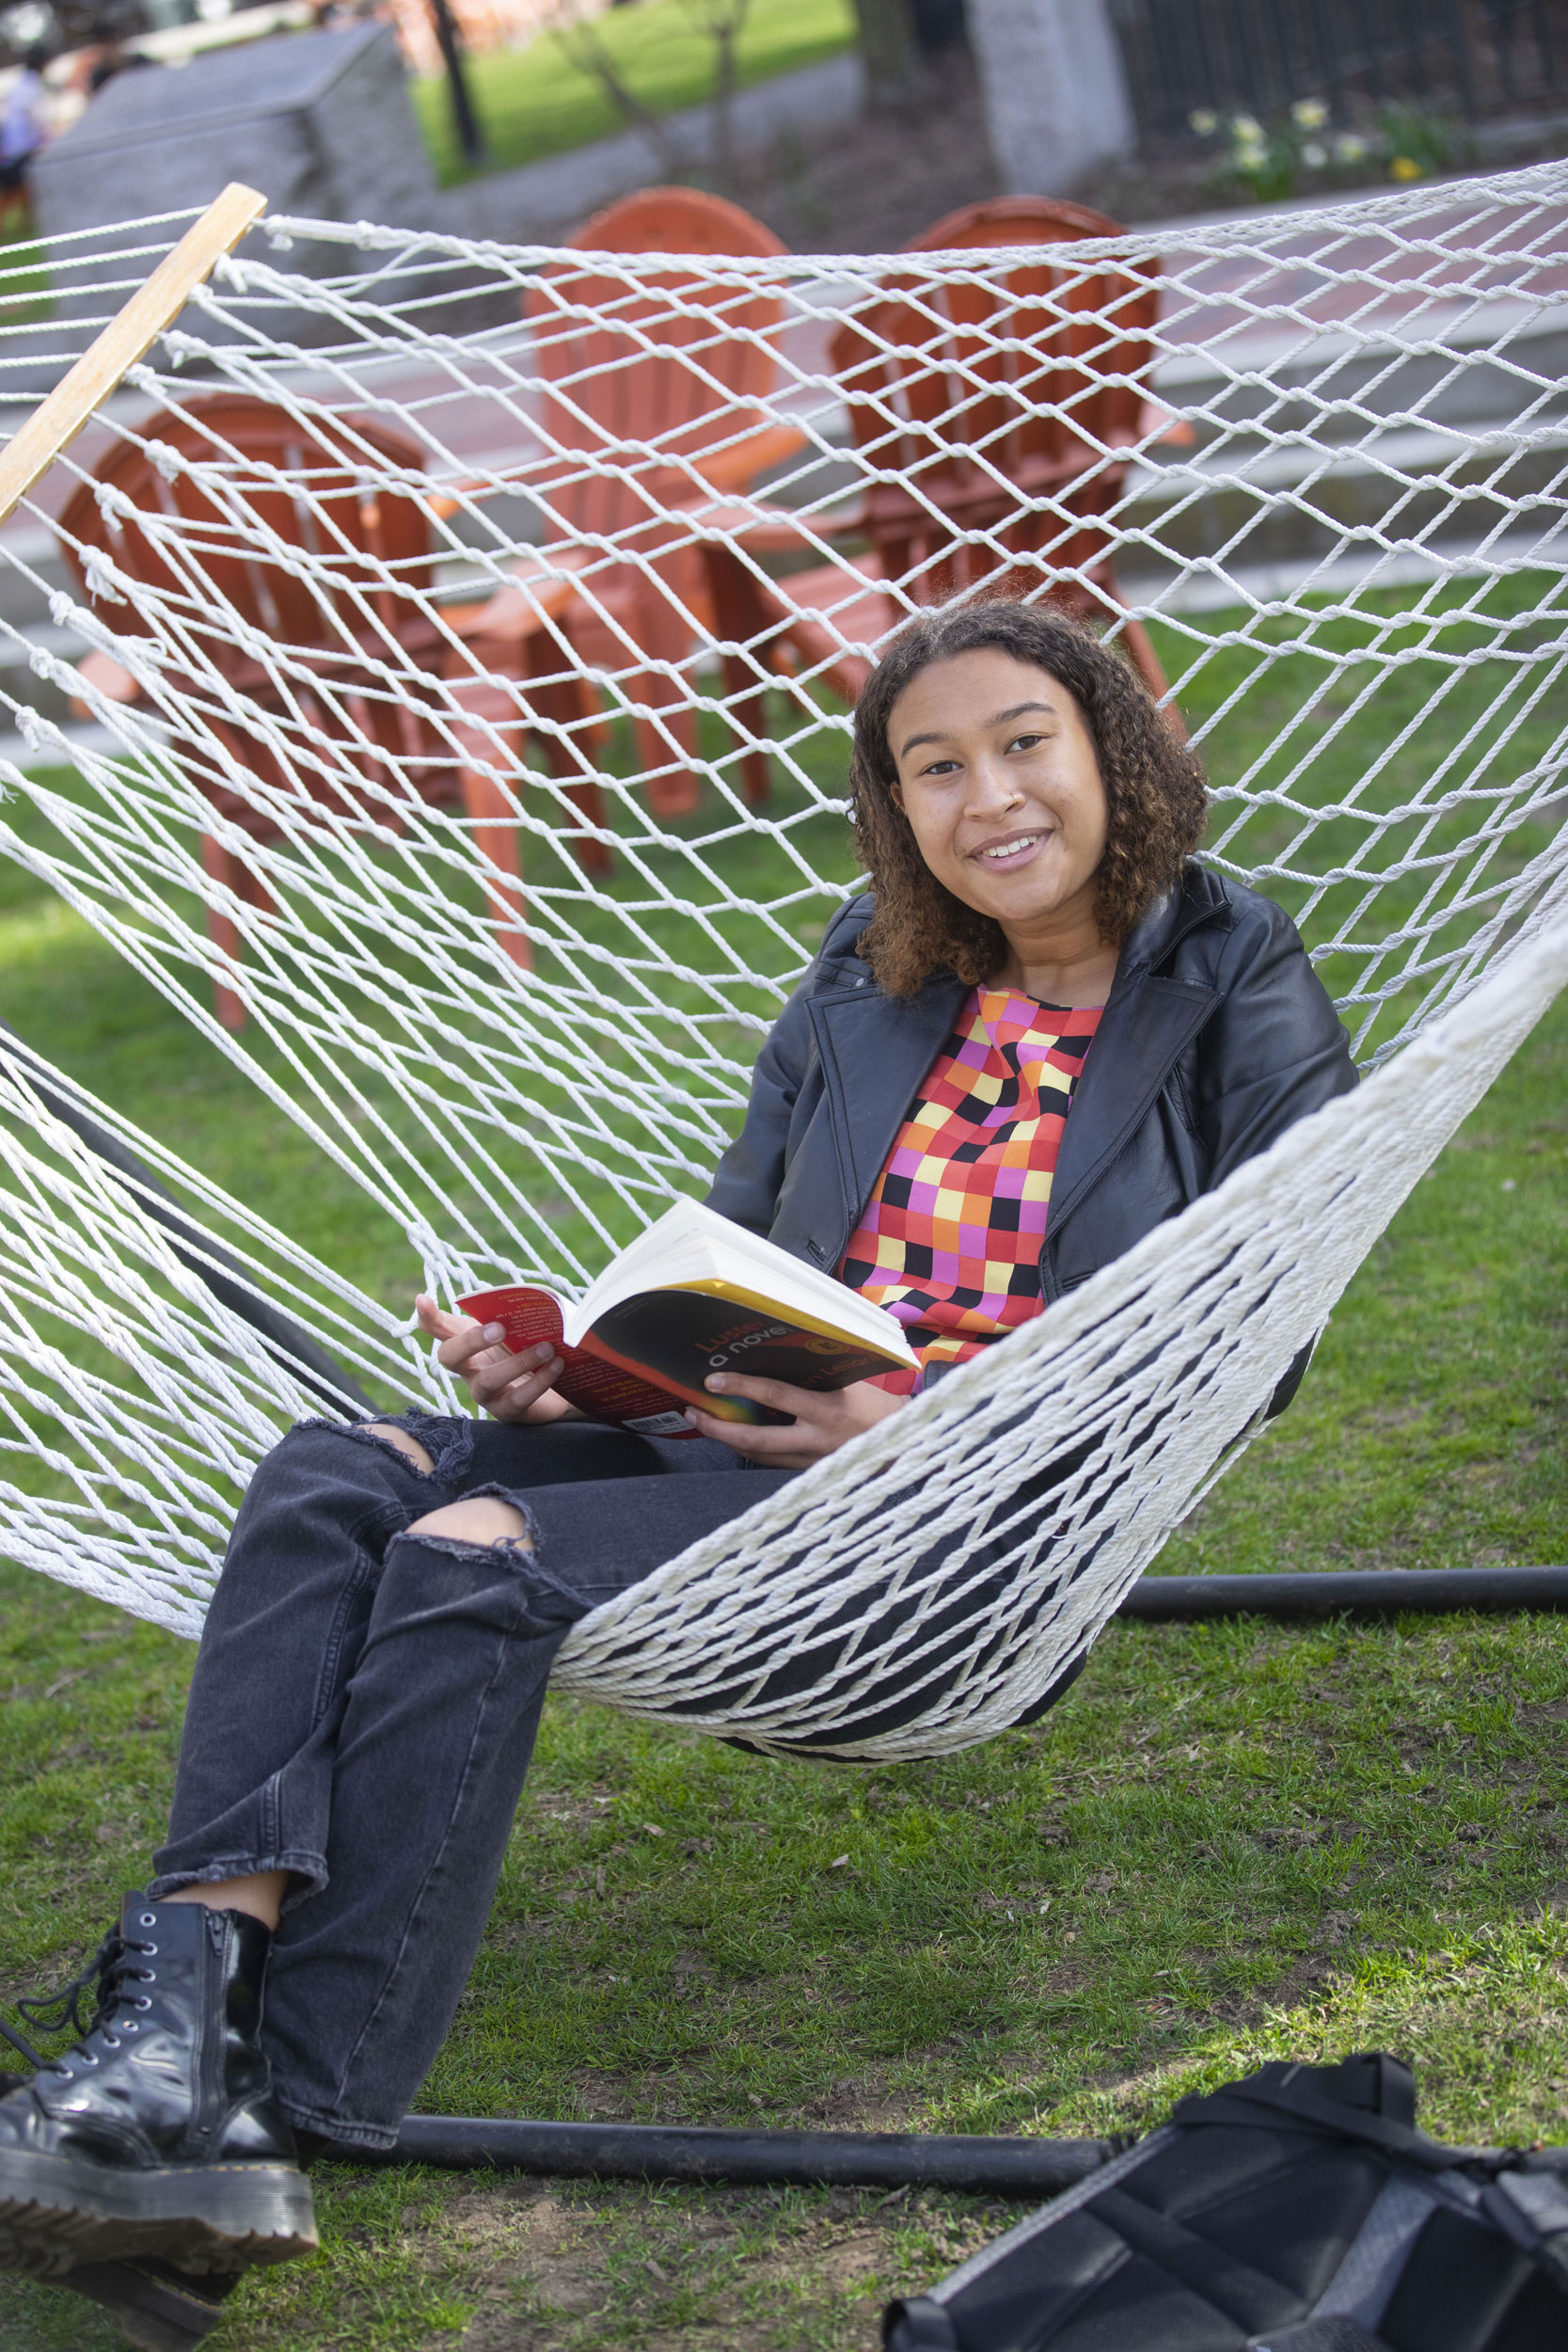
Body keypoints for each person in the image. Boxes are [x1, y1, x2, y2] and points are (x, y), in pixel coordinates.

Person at [0, 600, 1355, 2345]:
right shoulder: (869, 972)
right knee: (339, 1470)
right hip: (740, 1443)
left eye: (1026, 741)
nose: (988, 796)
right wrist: (571, 1373)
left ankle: (289, 2099)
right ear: (893, 804)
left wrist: (939, 1424)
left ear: (1111, 751)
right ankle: (190, 2019)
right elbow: (732, 1252)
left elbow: (1263, 1330)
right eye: (933, 767)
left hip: (966, 1517)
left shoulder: (1230, 969)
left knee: (475, 1547)